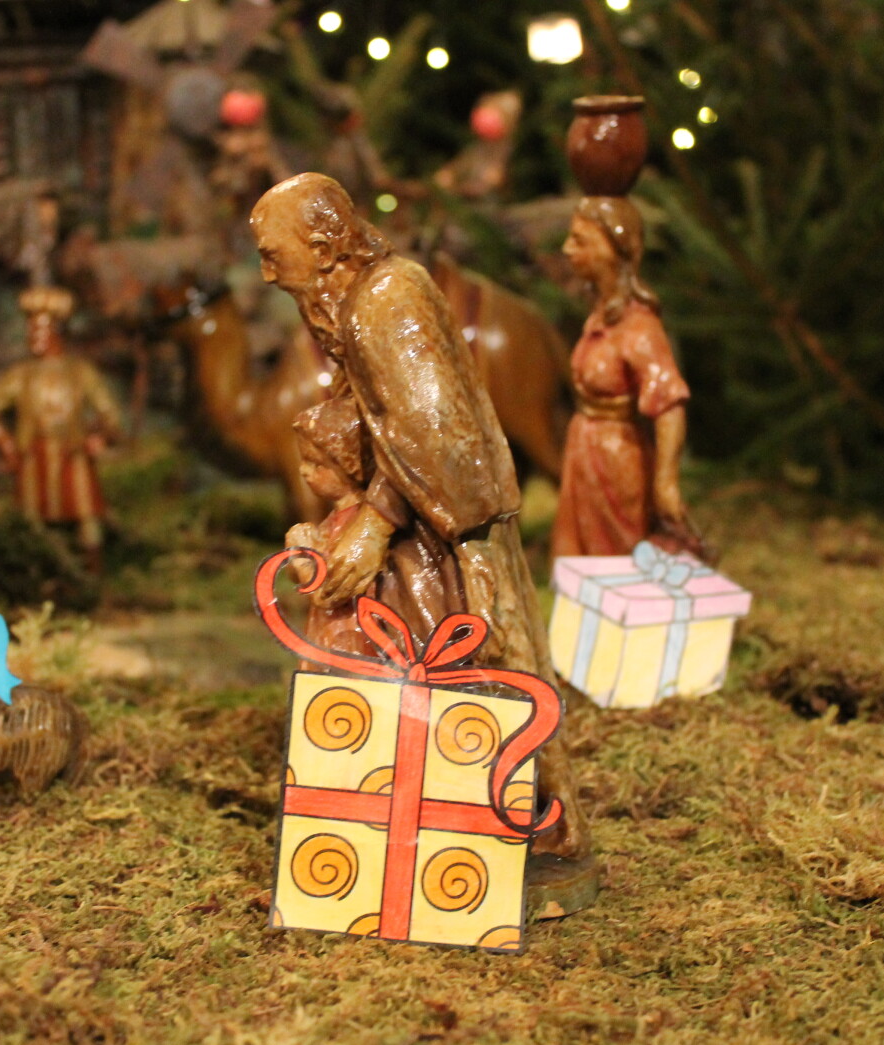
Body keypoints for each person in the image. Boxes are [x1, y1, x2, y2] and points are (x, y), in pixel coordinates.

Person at [250, 173, 596, 909]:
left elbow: (434, 428)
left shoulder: (386, 301)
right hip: (414, 519)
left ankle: (521, 826)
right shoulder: (345, 302)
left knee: (485, 664)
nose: (268, 273)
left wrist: (375, 523)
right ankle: (421, 821)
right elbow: (380, 413)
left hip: (452, 527)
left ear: (323, 244)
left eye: (274, 253)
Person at [551, 196, 705, 559]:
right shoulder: (600, 316)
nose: (567, 249)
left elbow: (669, 406)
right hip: (583, 451)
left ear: (613, 248)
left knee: (618, 557)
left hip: (616, 461)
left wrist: (666, 482)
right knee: (577, 555)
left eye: (580, 240)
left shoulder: (640, 329)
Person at [0, 285, 122, 567]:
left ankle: (93, 569)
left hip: (73, 455)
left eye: (40, 330)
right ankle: (37, 569)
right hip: (33, 457)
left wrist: (100, 436)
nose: (33, 337)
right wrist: (6, 443)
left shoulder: (80, 372)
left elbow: (109, 412)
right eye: (31, 330)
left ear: (56, 332)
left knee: (86, 514)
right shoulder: (21, 375)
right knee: (31, 519)